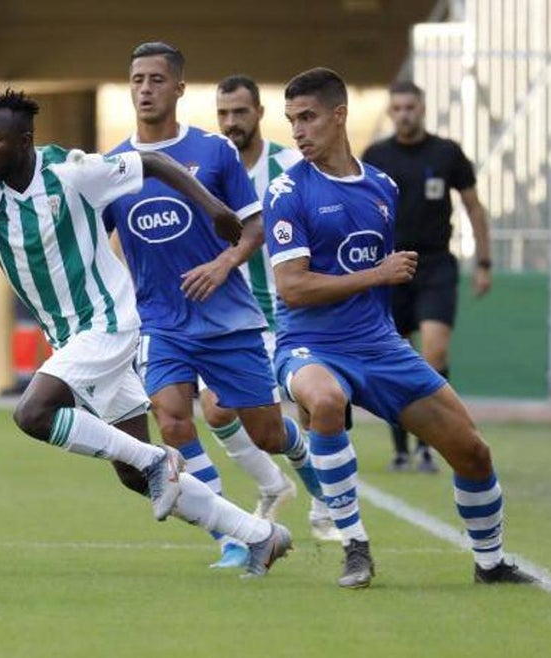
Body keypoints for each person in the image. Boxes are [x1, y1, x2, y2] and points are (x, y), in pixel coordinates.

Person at [0, 89, 293, 578]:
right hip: (74, 338)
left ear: (24, 142)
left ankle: (154, 460)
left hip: (109, 322)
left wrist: (213, 208)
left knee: (34, 412)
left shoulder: (72, 172)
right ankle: (258, 535)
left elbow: (154, 163)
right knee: (129, 474)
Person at [264, 67, 533, 588]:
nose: (297, 131)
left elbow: (377, 281)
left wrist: (382, 290)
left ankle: (490, 562)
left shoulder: (381, 187)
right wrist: (376, 274)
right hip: (310, 344)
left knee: (472, 450)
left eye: (308, 118)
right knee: (322, 399)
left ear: (338, 115)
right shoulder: (287, 191)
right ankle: (355, 545)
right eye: (291, 120)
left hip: (379, 345)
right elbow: (293, 288)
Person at [100, 44, 326, 570]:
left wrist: (224, 265)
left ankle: (313, 473)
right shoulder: (113, 166)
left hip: (228, 318)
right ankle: (232, 535)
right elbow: (96, 242)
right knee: (173, 420)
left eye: (157, 79)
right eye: (137, 79)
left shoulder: (215, 152)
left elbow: (254, 225)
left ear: (179, 88)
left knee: (265, 432)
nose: (146, 89)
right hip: (160, 320)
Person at [211, 73, 340, 543]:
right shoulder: (209, 167)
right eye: (223, 113)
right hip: (230, 317)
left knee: (305, 408)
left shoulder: (289, 165)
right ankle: (274, 483)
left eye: (240, 112)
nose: (230, 122)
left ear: (260, 113)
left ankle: (326, 502)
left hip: (285, 312)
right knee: (219, 412)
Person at [362, 80, 491, 473]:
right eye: (397, 108)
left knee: (434, 353)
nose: (404, 114)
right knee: (395, 357)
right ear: (390, 112)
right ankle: (401, 449)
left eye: (410, 107)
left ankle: (428, 446)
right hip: (389, 268)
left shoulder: (447, 153)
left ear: (422, 109)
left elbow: (473, 208)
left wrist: (484, 263)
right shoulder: (376, 155)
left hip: (435, 265)